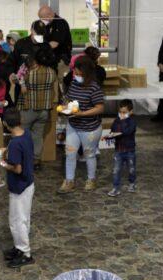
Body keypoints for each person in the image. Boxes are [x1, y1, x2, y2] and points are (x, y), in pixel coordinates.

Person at [0, 109, 35, 268]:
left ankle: (25, 253)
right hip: (27, 183)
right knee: (22, 219)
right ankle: (19, 247)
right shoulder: (25, 134)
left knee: (17, 221)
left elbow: (17, 169)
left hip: (19, 186)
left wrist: (1, 163)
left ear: (5, 123)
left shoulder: (16, 143)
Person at [58, 56, 104, 194]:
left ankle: (91, 179)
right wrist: (66, 108)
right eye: (75, 73)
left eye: (79, 74)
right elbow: (70, 100)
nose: (76, 76)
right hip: (73, 125)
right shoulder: (74, 84)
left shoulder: (94, 87)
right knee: (70, 153)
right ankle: (69, 180)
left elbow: (100, 108)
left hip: (90, 129)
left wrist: (83, 114)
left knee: (89, 154)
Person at [18, 47, 57, 170]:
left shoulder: (30, 72)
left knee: (22, 135)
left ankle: (23, 160)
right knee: (38, 135)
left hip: (28, 108)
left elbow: (18, 79)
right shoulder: (52, 72)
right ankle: (36, 161)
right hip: (44, 110)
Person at [105, 99, 137, 197]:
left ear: (130, 112)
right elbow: (113, 129)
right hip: (118, 150)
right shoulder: (116, 120)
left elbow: (127, 132)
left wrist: (123, 122)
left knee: (131, 168)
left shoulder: (132, 122)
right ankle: (115, 188)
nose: (122, 114)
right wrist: (110, 135)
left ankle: (132, 183)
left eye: (124, 112)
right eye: (120, 112)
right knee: (116, 169)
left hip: (129, 150)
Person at [38, 5, 72, 80]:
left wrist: (42, 45)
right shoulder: (47, 24)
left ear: (49, 15)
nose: (42, 21)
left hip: (60, 59)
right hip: (50, 58)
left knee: (58, 80)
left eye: (43, 18)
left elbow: (54, 44)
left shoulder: (60, 23)